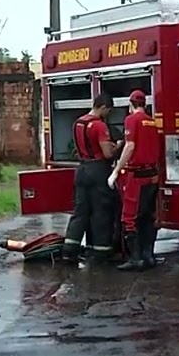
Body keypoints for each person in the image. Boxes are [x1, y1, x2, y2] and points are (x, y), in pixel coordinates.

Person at [61, 93, 120, 263]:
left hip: (82, 170)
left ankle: (69, 250)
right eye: (107, 110)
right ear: (103, 107)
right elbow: (107, 153)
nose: (107, 114)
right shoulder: (99, 126)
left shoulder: (78, 123)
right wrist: (119, 147)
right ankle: (100, 251)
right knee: (101, 211)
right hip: (98, 170)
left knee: (80, 211)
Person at [108, 89, 162, 271]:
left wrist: (116, 170)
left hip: (136, 176)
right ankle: (149, 256)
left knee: (129, 217)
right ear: (145, 105)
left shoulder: (131, 120)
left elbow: (130, 146)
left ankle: (136, 259)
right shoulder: (152, 122)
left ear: (130, 105)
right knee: (147, 216)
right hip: (152, 175)